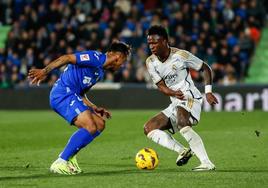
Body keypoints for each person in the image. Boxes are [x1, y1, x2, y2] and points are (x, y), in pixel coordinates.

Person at [28, 41, 130, 175]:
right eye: (123, 60)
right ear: (118, 57)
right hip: (62, 94)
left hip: (72, 95)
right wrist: (44, 71)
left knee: (99, 124)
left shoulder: (99, 73)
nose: (122, 65)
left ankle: (70, 158)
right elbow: (66, 58)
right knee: (90, 126)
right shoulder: (96, 57)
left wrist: (94, 107)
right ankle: (61, 161)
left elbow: (80, 94)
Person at [144, 25, 218, 171]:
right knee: (149, 128)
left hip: (190, 97)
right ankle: (182, 151)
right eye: (149, 44)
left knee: (182, 121)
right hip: (176, 100)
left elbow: (205, 68)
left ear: (165, 41)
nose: (151, 46)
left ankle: (206, 163)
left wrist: (208, 92)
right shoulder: (150, 62)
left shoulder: (180, 55)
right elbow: (160, 85)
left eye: (155, 42)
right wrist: (172, 93)